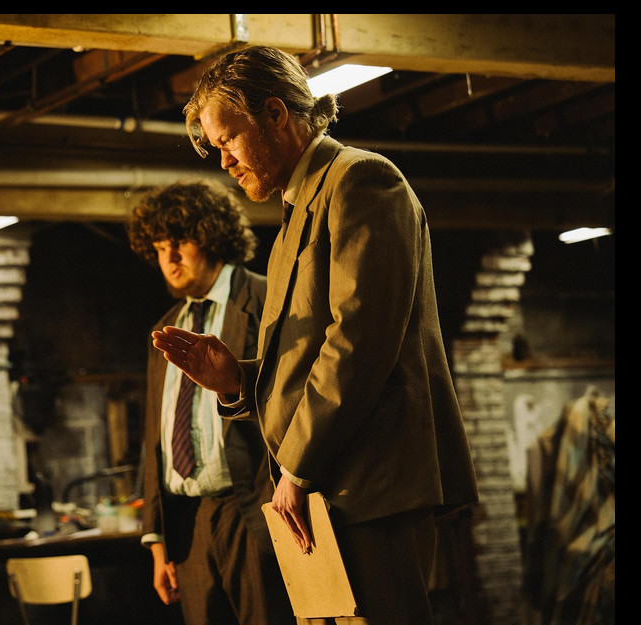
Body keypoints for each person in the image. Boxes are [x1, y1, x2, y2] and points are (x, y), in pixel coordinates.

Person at [151, 45, 479, 625]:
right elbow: (307, 361)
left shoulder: (361, 180)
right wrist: (237, 382)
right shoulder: (293, 215)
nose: (224, 162)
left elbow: (359, 343)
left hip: (369, 489)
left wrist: (297, 468)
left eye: (229, 140)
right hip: (324, 493)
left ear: (276, 114)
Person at [129, 180, 294, 625]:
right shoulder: (167, 327)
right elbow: (157, 437)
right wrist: (156, 539)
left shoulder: (267, 299)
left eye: (179, 242)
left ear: (212, 235)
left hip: (256, 511)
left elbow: (298, 400)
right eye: (159, 247)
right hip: (188, 522)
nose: (169, 258)